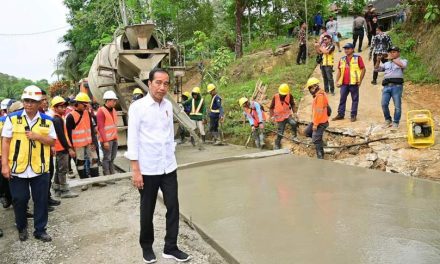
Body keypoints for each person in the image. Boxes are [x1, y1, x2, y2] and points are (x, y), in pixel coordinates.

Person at [126, 68, 191, 263]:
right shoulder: (137, 107)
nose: (162, 87)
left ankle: (171, 247)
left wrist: (171, 155)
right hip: (147, 169)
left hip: (168, 167)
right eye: (158, 83)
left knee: (173, 206)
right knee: (147, 210)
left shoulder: (168, 106)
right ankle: (147, 247)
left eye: (166, 83)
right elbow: (133, 140)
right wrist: (136, 170)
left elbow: (169, 134)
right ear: (149, 83)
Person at [1, 85, 56, 242]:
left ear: (40, 103)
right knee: (19, 199)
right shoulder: (12, 119)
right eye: (26, 101)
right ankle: (22, 227)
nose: (29, 104)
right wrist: (5, 165)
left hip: (40, 168)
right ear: (23, 101)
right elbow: (5, 142)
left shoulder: (47, 121)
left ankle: (40, 229)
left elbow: (52, 141)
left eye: (33, 101)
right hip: (18, 168)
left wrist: (38, 136)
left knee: (41, 200)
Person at [66, 92, 100, 180]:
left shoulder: (87, 113)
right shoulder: (70, 116)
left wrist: (93, 141)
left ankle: (95, 180)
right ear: (78, 103)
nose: (87, 106)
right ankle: (84, 182)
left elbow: (91, 128)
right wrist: (70, 147)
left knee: (94, 160)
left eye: (87, 104)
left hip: (89, 142)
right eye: (85, 105)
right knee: (80, 163)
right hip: (78, 145)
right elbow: (68, 133)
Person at [51, 96, 78, 198]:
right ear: (55, 108)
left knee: (59, 169)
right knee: (63, 170)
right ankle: (64, 191)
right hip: (61, 148)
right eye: (61, 107)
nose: (64, 109)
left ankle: (57, 188)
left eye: (64, 107)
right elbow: (61, 136)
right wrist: (69, 148)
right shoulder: (57, 120)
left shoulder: (57, 118)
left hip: (60, 148)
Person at [375, 46, 408, 129]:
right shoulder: (386, 63)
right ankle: (388, 120)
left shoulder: (403, 61)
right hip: (386, 86)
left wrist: (391, 59)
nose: (392, 53)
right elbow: (376, 69)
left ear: (398, 52)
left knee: (397, 105)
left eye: (394, 52)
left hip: (397, 86)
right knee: (384, 104)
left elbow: (402, 65)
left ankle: (396, 122)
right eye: (390, 52)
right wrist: (378, 60)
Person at [333, 43, 366, 122]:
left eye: (348, 48)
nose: (346, 50)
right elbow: (339, 71)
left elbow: (363, 69)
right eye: (345, 49)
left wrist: (360, 81)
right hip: (344, 83)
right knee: (342, 99)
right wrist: (337, 81)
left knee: (355, 99)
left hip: (354, 83)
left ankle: (353, 115)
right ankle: (340, 114)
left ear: (352, 49)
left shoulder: (358, 58)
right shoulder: (342, 59)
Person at [40, 90, 61, 209]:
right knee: (42, 179)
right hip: (39, 154)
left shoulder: (45, 115)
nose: (44, 102)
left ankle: (47, 198)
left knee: (49, 175)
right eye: (42, 100)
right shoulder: (33, 116)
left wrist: (52, 146)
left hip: (48, 151)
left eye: (45, 99)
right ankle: (43, 202)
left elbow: (49, 133)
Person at [304, 78, 330, 159]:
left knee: (315, 139)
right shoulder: (318, 94)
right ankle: (320, 142)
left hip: (320, 122)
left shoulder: (320, 96)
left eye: (310, 88)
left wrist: (315, 124)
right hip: (316, 120)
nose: (310, 90)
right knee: (307, 132)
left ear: (314, 87)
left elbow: (319, 112)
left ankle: (320, 156)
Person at [96, 91, 119, 176]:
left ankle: (112, 174)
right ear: (108, 101)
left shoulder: (113, 110)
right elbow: (101, 127)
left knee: (112, 158)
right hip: (106, 140)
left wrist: (116, 137)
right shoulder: (101, 111)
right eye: (114, 101)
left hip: (114, 138)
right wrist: (105, 141)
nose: (115, 102)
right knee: (107, 158)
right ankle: (107, 175)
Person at [269, 84, 297, 149]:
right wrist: (272, 116)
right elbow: (271, 108)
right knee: (280, 132)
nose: (283, 95)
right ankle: (277, 143)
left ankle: (294, 136)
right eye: (282, 94)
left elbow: (292, 104)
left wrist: (295, 112)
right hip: (279, 117)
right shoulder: (275, 97)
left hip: (287, 115)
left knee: (294, 123)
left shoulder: (289, 96)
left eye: (284, 94)